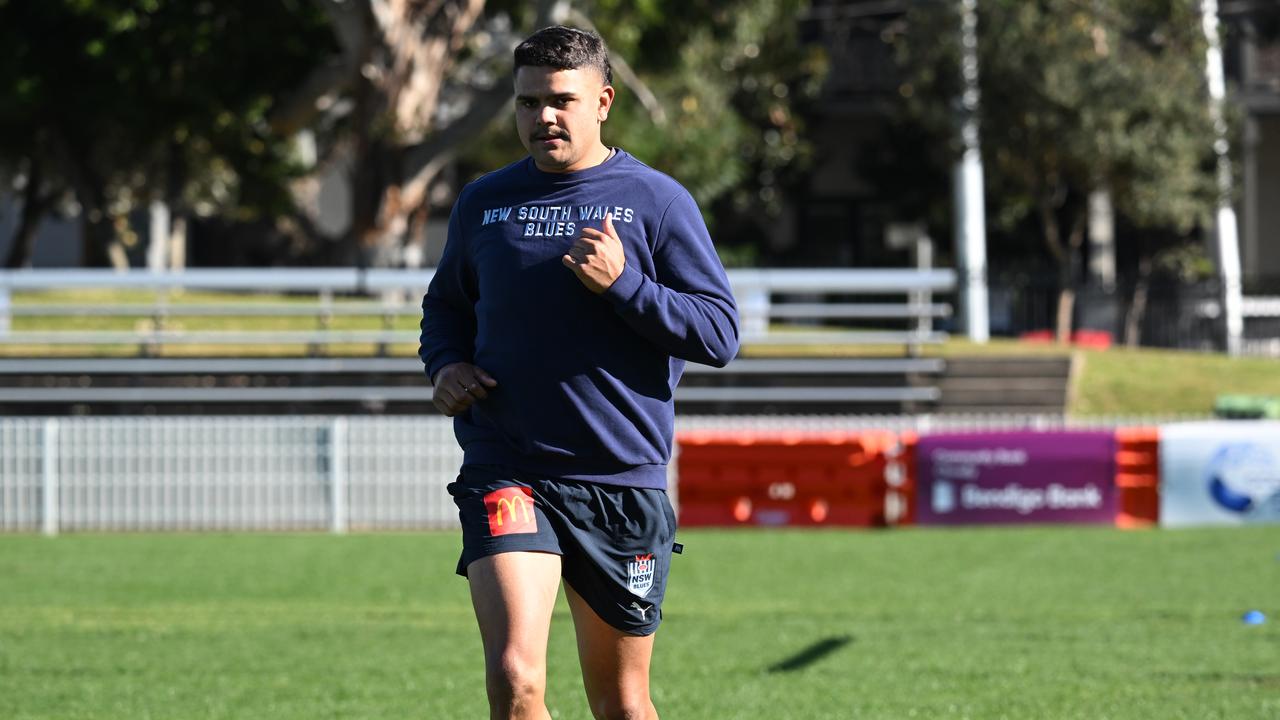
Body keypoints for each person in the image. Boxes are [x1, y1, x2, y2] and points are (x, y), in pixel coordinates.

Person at [419, 25, 739, 720]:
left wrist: (626, 286)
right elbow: (445, 307)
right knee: (514, 679)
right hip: (508, 468)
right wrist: (445, 365)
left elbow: (719, 333)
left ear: (603, 101)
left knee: (621, 702)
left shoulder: (657, 202)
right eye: (528, 103)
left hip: (620, 479)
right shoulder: (484, 203)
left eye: (561, 100)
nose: (544, 118)